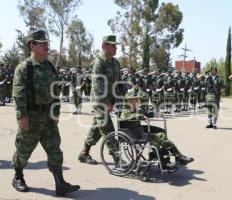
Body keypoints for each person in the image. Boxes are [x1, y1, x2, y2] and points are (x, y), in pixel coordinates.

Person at [11, 30, 79, 196]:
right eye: (42, 44)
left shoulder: (49, 66)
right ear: (32, 46)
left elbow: (56, 90)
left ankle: (60, 183)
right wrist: (21, 115)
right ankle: (18, 176)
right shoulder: (24, 67)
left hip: (48, 117)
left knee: (55, 149)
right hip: (32, 117)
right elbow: (18, 93)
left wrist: (56, 111)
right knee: (23, 150)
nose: (46, 46)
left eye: (46, 43)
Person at [120, 90, 194, 169]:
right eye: (137, 100)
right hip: (133, 134)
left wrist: (155, 113)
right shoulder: (125, 110)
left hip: (139, 131)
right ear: (130, 101)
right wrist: (140, 116)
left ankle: (168, 158)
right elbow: (125, 117)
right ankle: (170, 160)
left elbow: (146, 113)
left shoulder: (136, 109)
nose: (139, 102)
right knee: (158, 137)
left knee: (161, 133)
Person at [78, 35, 123, 164]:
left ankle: (84, 153)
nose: (115, 48)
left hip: (111, 98)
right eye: (113, 45)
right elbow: (97, 84)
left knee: (97, 126)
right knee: (107, 127)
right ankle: (117, 158)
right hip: (100, 100)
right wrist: (106, 101)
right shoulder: (99, 62)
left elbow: (120, 82)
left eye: (116, 46)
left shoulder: (115, 63)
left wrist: (126, 97)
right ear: (104, 46)